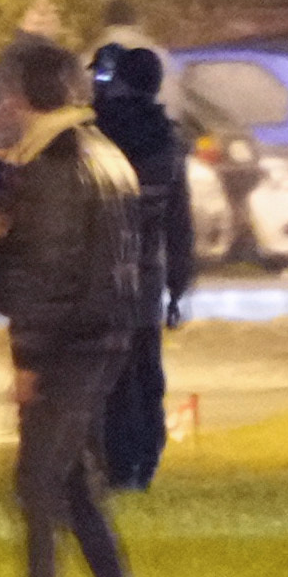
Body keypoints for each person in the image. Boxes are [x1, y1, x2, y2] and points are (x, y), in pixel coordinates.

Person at [0, 31, 152, 577]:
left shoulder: (50, 168)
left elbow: (45, 273)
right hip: (104, 333)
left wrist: (28, 360)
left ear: (19, 94)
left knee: (37, 477)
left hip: (69, 342)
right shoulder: (101, 152)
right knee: (69, 477)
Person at [83, 35, 200, 492]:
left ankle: (112, 462)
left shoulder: (96, 137)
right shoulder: (166, 141)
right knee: (145, 374)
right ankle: (142, 462)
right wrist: (178, 285)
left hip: (98, 277)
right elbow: (178, 222)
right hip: (147, 278)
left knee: (106, 376)